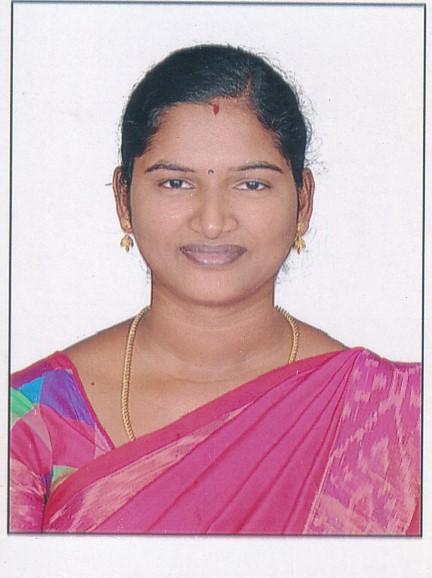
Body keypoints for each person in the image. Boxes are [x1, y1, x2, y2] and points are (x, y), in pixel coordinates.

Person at [10, 44, 420, 534]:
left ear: (303, 201)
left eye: (251, 184)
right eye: (175, 183)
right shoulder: (30, 417)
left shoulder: (394, 417)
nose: (211, 222)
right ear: (123, 199)